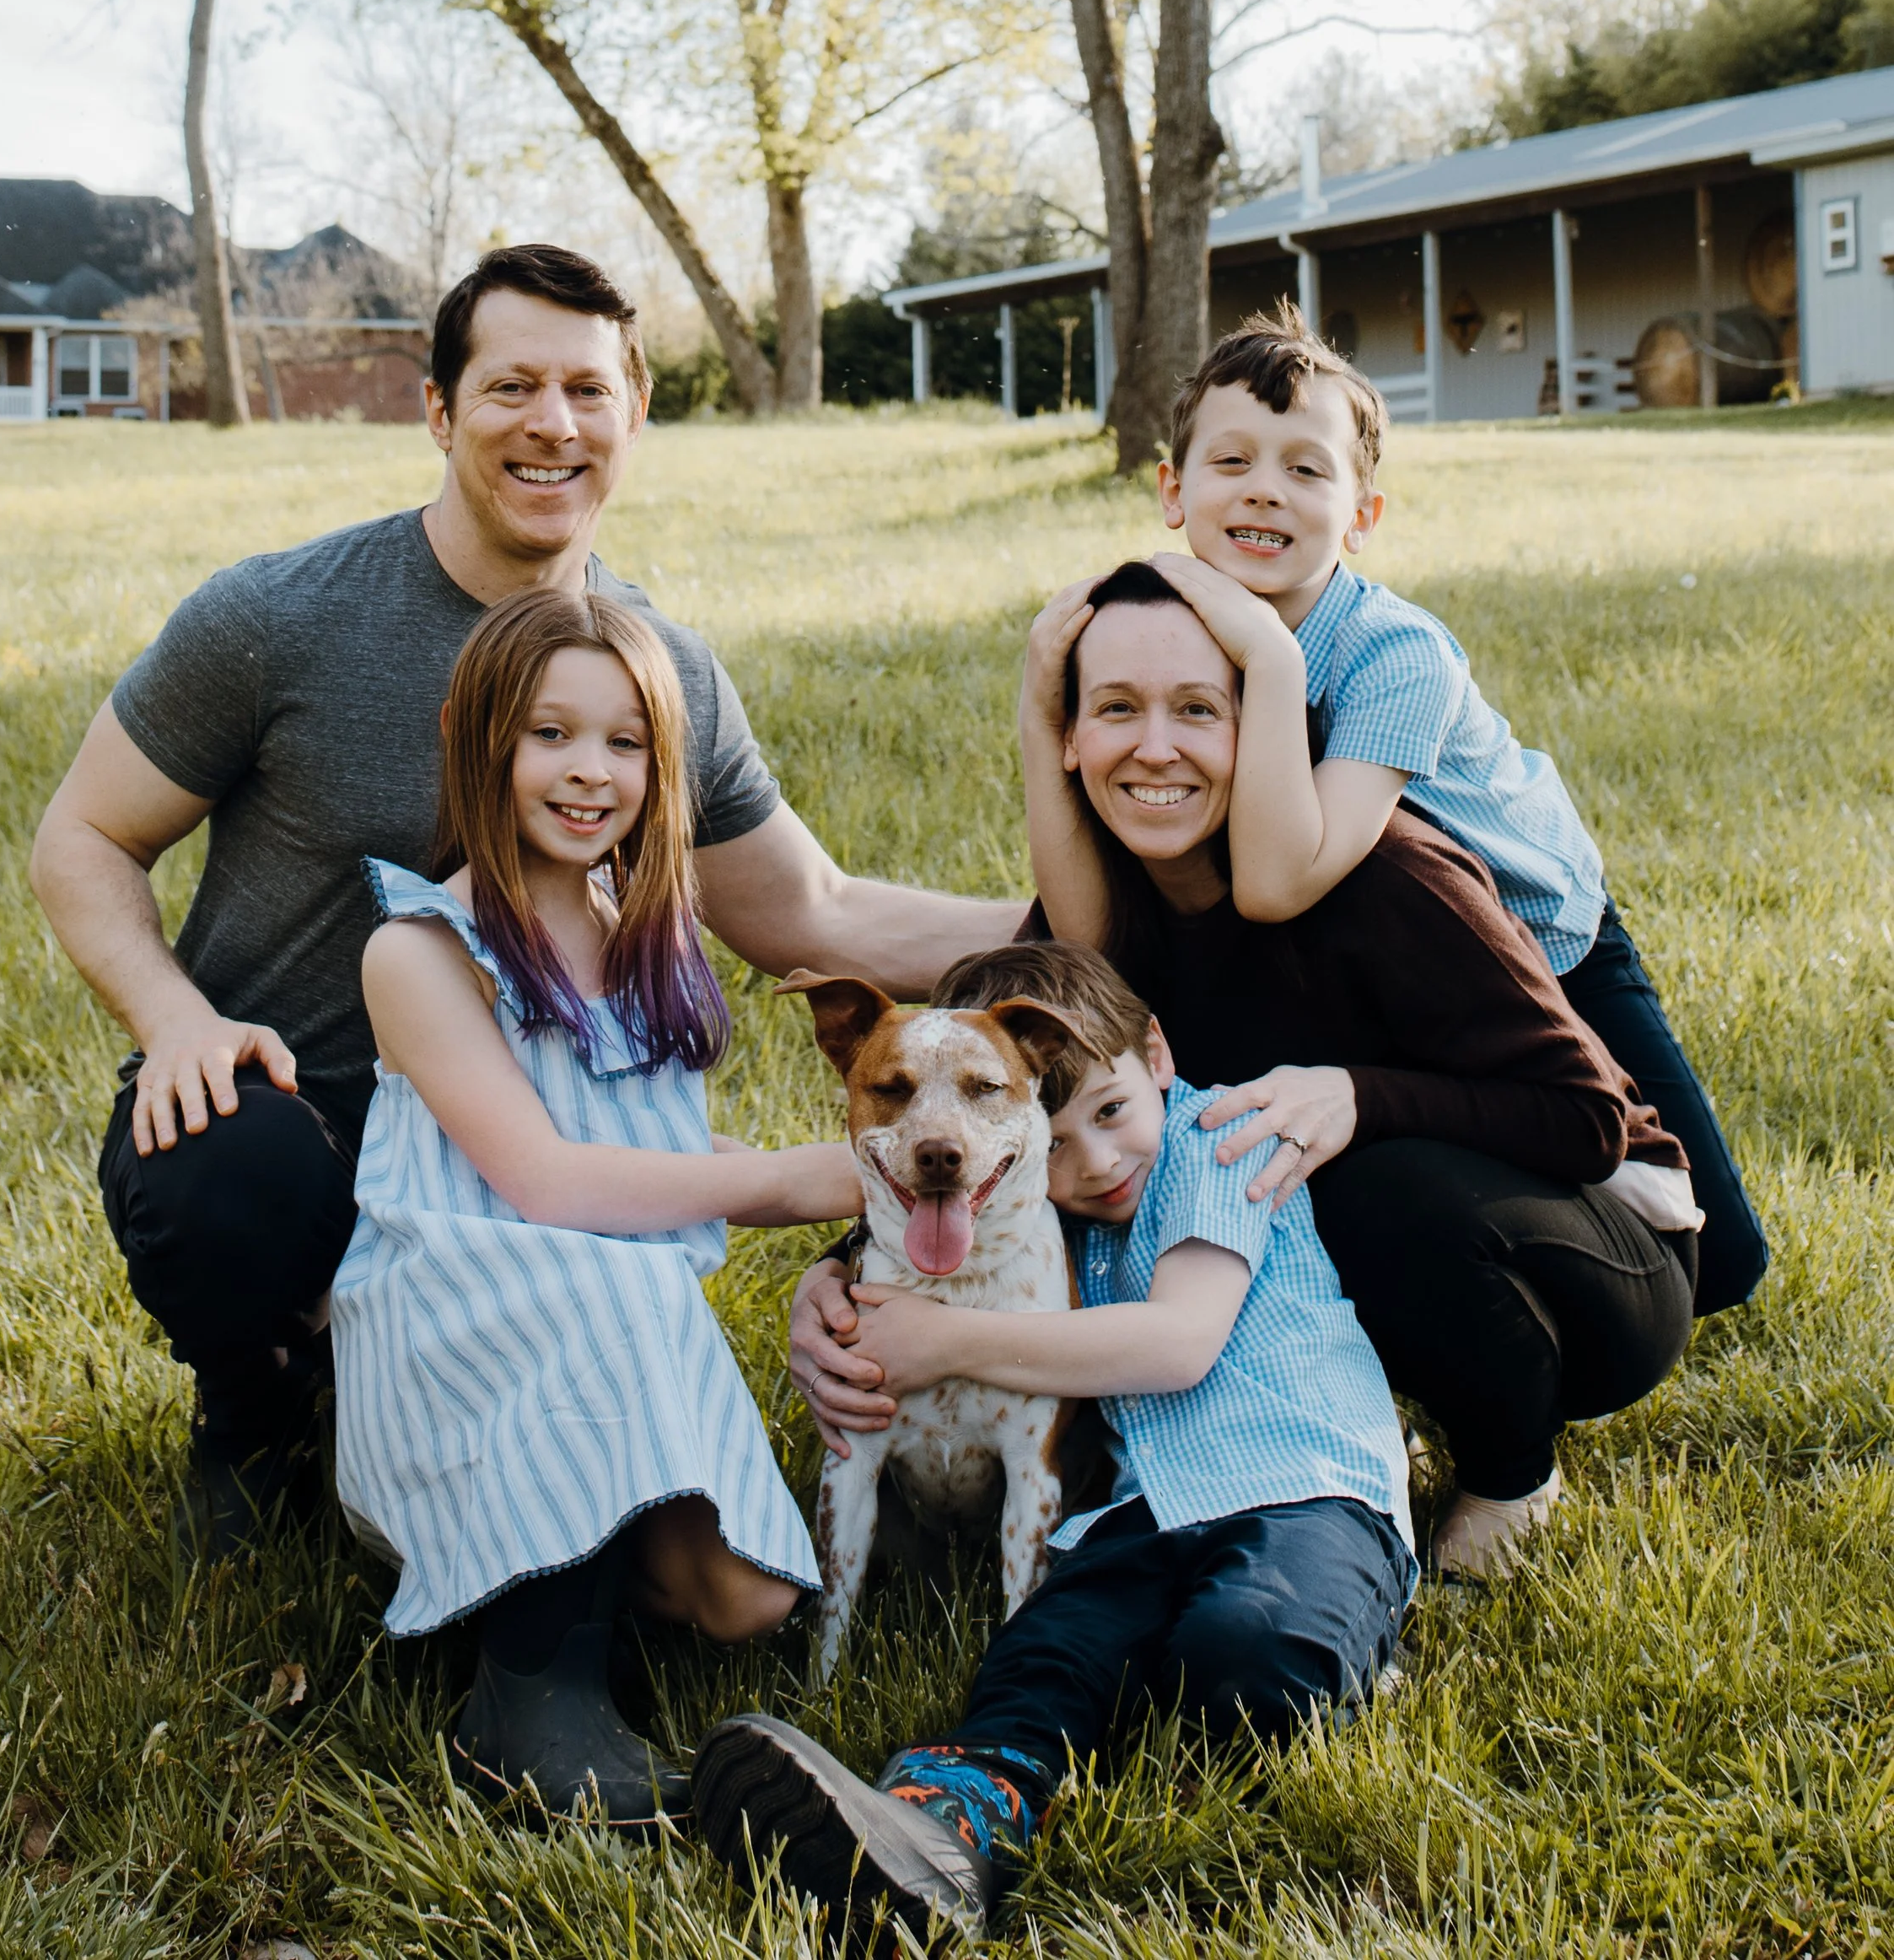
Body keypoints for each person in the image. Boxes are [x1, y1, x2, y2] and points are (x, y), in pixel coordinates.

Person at [30, 240, 1017, 1565]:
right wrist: (175, 1020)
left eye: (588, 390)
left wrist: (1073, 919)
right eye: (510, 388)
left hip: (525, 1164)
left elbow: (812, 910)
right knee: (228, 1171)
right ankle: (264, 1402)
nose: (553, 424)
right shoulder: (278, 619)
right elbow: (83, 836)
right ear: (439, 410)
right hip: (300, 1123)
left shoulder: (658, 672)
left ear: (634, 415)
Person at [796, 564, 1699, 1579]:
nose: (1154, 746)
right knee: (1250, 1175)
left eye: (1197, 710)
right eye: (1115, 709)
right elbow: (990, 1133)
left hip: (1587, 1267)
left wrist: (1361, 1095)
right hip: (1330, 1268)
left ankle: (1509, 1469)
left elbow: (1587, 1119)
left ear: (1257, 729)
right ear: (1068, 739)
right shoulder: (1091, 925)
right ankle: (1351, 1403)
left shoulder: (1394, 876)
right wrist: (836, 1281)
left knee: (1359, 1180)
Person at [1020, 302, 1766, 1316]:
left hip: (1541, 941)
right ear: (1171, 490)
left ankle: (1572, 1178)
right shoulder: (1163, 631)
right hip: (1379, 958)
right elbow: (1091, 938)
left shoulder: (1393, 653)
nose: (1263, 492)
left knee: (1720, 1259)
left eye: (1305, 470)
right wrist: (1039, 708)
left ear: (1362, 518)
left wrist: (1274, 658)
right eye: (1231, 462)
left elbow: (1281, 881)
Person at [694, 936, 1415, 1952]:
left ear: (1157, 1060)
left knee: (1244, 1656)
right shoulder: (1033, 1204)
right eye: (1059, 1142)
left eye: (1112, 1113)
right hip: (1132, 1518)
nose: (1097, 1163)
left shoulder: (1217, 1145)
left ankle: (1351, 1645)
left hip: (1301, 1492)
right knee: (1037, 1660)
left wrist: (941, 1338)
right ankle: (936, 1828)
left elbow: (1175, 1345)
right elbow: (913, 1211)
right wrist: (831, 1274)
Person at [336, 585, 859, 1821]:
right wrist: (780, 1179)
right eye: (551, 735)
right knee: (604, 1272)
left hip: (612, 1334)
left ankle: (579, 1554)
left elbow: (644, 1141)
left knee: (750, 1605)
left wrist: (811, 1168)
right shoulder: (422, 946)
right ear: (482, 739)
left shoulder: (639, 935)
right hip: (453, 1329)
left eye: (625, 742)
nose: (590, 772)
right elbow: (542, 1178)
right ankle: (526, 1702)